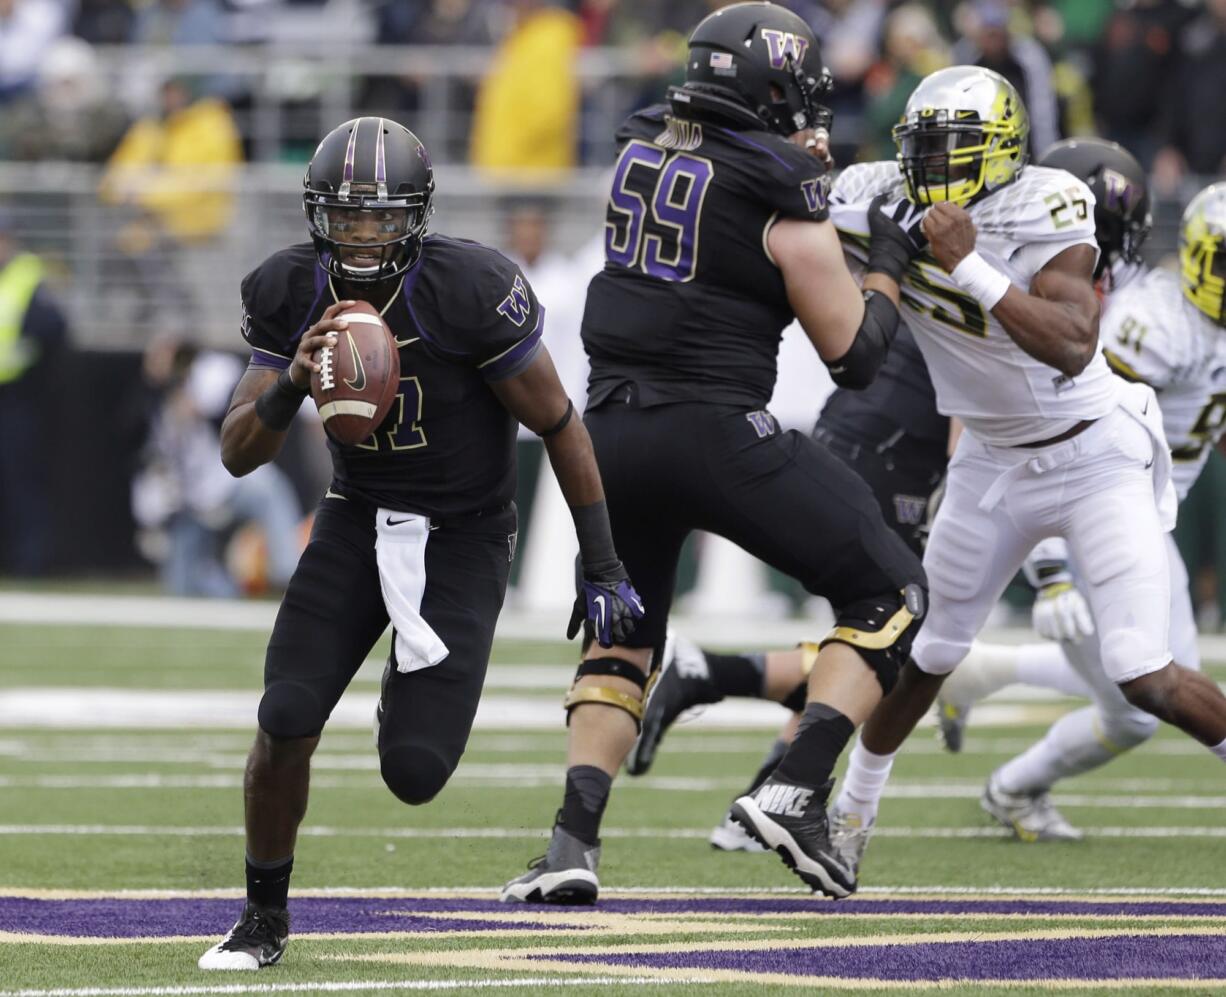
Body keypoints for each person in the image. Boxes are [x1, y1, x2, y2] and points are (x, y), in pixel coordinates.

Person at [623, 136, 1163, 856]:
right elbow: (988, 391)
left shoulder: (995, 242)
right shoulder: (990, 246)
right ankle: (768, 774)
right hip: (898, 441)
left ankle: (742, 731)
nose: (1100, 249)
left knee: (891, 631)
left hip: (883, 432)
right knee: (888, 629)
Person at [500, 1, 928, 906]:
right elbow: (855, 356)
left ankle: (572, 843)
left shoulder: (641, 146)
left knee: (622, 645)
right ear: (770, 91)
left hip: (605, 430)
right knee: (893, 591)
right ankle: (796, 785)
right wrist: (884, 266)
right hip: (714, 431)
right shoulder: (784, 192)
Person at [197, 116, 641, 970]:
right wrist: (293, 377)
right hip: (356, 515)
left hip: (466, 534)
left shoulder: (469, 287)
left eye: (384, 216)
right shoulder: (288, 288)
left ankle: (407, 679)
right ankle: (263, 915)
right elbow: (237, 451)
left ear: (418, 215)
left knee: (415, 770)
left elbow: (557, 421)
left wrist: (604, 559)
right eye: (348, 216)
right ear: (316, 213)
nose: (365, 235)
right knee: (284, 716)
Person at [819, 66, 1226, 891]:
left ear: (1001, 148)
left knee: (1142, 670)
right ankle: (846, 821)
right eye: (922, 144)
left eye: (952, 146)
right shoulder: (874, 191)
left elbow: (1073, 341)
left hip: (1094, 453)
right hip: (992, 462)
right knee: (925, 652)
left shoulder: (1047, 203)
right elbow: (791, 210)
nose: (931, 163)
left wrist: (970, 267)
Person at [937, 174, 1226, 841]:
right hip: (1098, 513)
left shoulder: (1204, 331)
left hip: (1153, 521)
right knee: (1141, 702)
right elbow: (1071, 434)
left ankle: (982, 672)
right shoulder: (1153, 325)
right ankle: (1011, 787)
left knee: (1160, 677)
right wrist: (1053, 563)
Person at [0, 209, 69, 575]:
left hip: (16, 396)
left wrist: (26, 357)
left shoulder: (28, 275)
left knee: (21, 480)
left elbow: (52, 328)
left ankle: (30, 564)